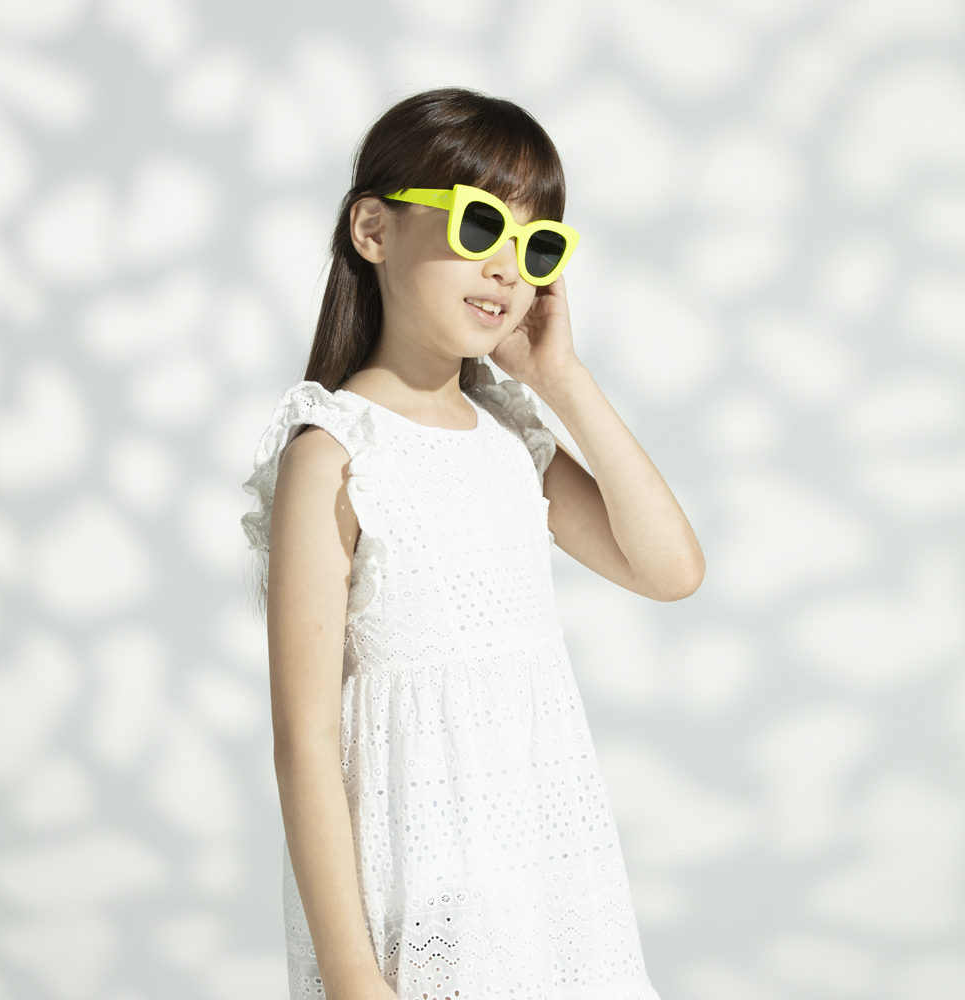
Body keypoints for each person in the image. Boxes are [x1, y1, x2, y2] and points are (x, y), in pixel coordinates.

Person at [241, 86, 705, 1000]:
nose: (505, 269)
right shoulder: (337, 454)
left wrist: (560, 378)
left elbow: (671, 569)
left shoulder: (510, 442)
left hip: (547, 880)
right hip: (419, 893)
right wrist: (352, 976)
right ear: (373, 229)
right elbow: (304, 738)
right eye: (481, 225)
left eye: (536, 247)